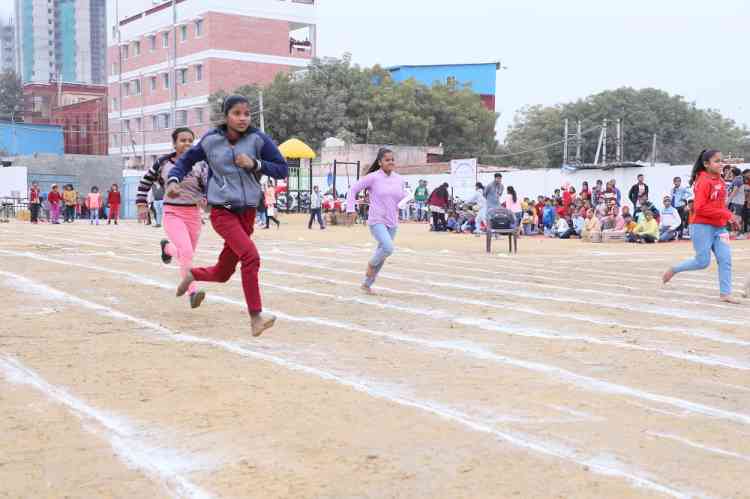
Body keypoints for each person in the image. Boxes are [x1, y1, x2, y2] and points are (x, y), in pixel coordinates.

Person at [166, 94, 288, 336]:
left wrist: (255, 164)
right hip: (223, 212)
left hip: (248, 213)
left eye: (246, 114)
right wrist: (173, 179)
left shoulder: (257, 138)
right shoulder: (211, 141)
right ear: (226, 116)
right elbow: (186, 161)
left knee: (223, 273)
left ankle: (193, 274)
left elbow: (282, 169)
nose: (243, 118)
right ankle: (256, 317)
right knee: (251, 257)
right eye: (236, 113)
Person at [137, 127, 209, 309]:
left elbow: (208, 185)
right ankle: (192, 292)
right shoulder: (163, 163)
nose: (186, 143)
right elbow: (145, 182)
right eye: (182, 140)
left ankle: (167, 249)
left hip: (193, 214)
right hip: (172, 213)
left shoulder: (200, 163)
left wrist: (206, 199)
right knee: (186, 253)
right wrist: (141, 204)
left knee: (187, 255)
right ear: (174, 143)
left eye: (189, 141)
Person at [663, 149, 740, 303]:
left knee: (725, 259)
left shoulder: (720, 181)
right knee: (702, 262)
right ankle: (674, 269)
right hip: (701, 226)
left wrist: (730, 218)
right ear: (706, 164)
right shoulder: (703, 181)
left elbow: (720, 205)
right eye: (717, 161)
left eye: (721, 160)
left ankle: (725, 293)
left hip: (719, 227)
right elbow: (700, 208)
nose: (721, 164)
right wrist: (727, 215)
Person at [345, 147, 407, 293]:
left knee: (383, 252)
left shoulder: (399, 179)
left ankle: (367, 284)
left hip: (393, 221)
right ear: (380, 162)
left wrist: (405, 200)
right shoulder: (373, 177)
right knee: (388, 248)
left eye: (392, 159)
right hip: (377, 220)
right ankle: (371, 264)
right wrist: (350, 209)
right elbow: (353, 190)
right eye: (387, 160)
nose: (391, 162)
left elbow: (400, 197)